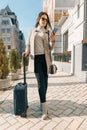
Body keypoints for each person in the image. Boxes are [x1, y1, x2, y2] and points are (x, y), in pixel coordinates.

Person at [23, 12, 56, 120]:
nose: (44, 21)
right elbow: (28, 44)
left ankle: (42, 104)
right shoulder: (32, 31)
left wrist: (53, 41)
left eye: (46, 20)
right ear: (39, 19)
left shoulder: (47, 32)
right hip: (36, 59)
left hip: (45, 59)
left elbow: (50, 48)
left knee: (45, 82)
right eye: (43, 18)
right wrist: (27, 52)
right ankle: (45, 110)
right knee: (41, 82)